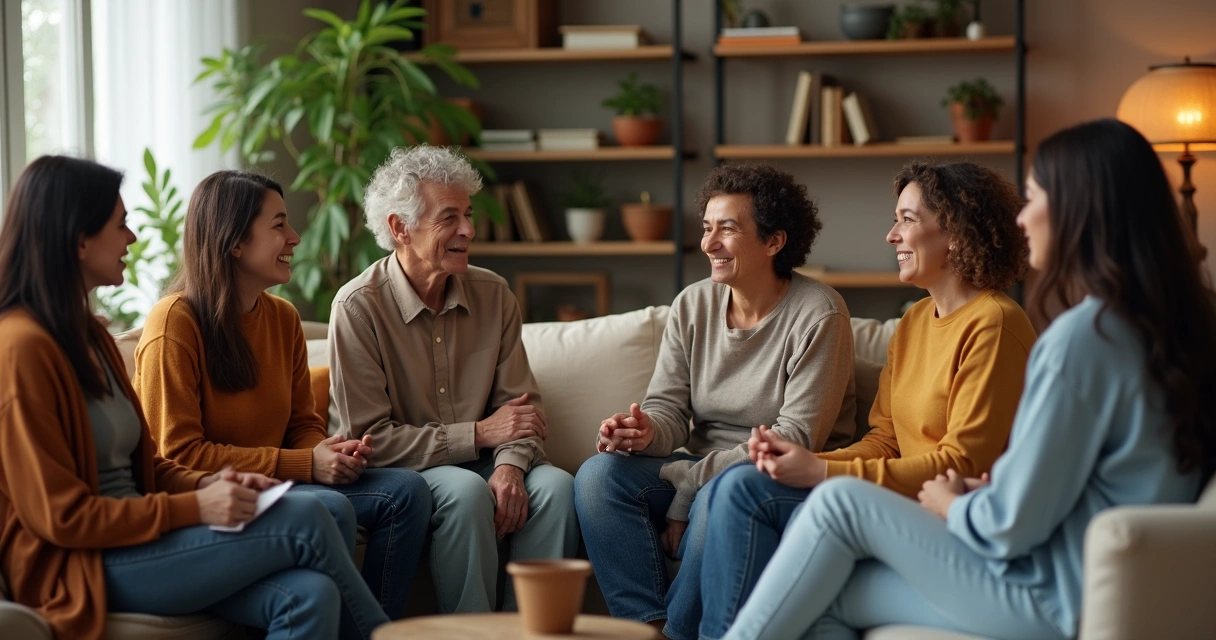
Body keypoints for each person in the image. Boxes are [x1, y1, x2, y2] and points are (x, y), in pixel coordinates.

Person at [720, 118, 1216, 640]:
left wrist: (955, 503)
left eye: (1035, 196)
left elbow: (1010, 524)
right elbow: (1089, 476)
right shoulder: (1176, 324)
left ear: (1080, 210)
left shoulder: (1083, 339)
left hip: (1052, 591)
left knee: (837, 506)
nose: (1023, 219)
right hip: (1088, 580)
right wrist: (986, 491)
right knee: (824, 595)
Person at [0, 156, 389, 640]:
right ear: (79, 239)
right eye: (121, 225)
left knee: (311, 595)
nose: (132, 239)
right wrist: (197, 509)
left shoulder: (88, 336)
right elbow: (63, 518)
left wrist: (209, 485)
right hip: (82, 562)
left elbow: (149, 466)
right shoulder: (20, 348)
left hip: (140, 536)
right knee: (310, 514)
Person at [693, 160, 1036, 639]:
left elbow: (963, 461)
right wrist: (806, 459)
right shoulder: (915, 321)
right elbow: (885, 439)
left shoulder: (995, 324)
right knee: (746, 482)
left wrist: (823, 471)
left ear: (955, 233)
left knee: (744, 491)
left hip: (941, 515)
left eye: (907, 220)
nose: (892, 235)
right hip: (893, 502)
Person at [575, 162, 858, 639]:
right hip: (701, 465)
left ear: (774, 242)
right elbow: (668, 409)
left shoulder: (819, 314)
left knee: (720, 498)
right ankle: (646, 628)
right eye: (707, 228)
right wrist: (643, 432)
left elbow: (793, 438)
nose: (708, 244)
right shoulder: (693, 304)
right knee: (597, 477)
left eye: (727, 229)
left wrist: (688, 488)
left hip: (771, 475)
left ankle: (678, 634)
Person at [134, 170, 431, 619]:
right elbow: (177, 455)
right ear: (234, 242)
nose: (295, 237)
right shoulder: (174, 323)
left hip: (284, 481)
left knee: (407, 491)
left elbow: (302, 423)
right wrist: (305, 465)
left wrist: (327, 454)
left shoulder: (283, 317)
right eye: (278, 225)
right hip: (217, 492)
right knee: (329, 508)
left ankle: (368, 626)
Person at [328, 145, 578, 613]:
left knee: (557, 487)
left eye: (468, 214)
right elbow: (368, 439)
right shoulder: (357, 307)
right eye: (449, 217)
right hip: (406, 474)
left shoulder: (494, 294)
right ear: (400, 228)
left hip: (485, 462)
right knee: (464, 494)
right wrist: (480, 433)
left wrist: (509, 466)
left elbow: (522, 413)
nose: (469, 230)